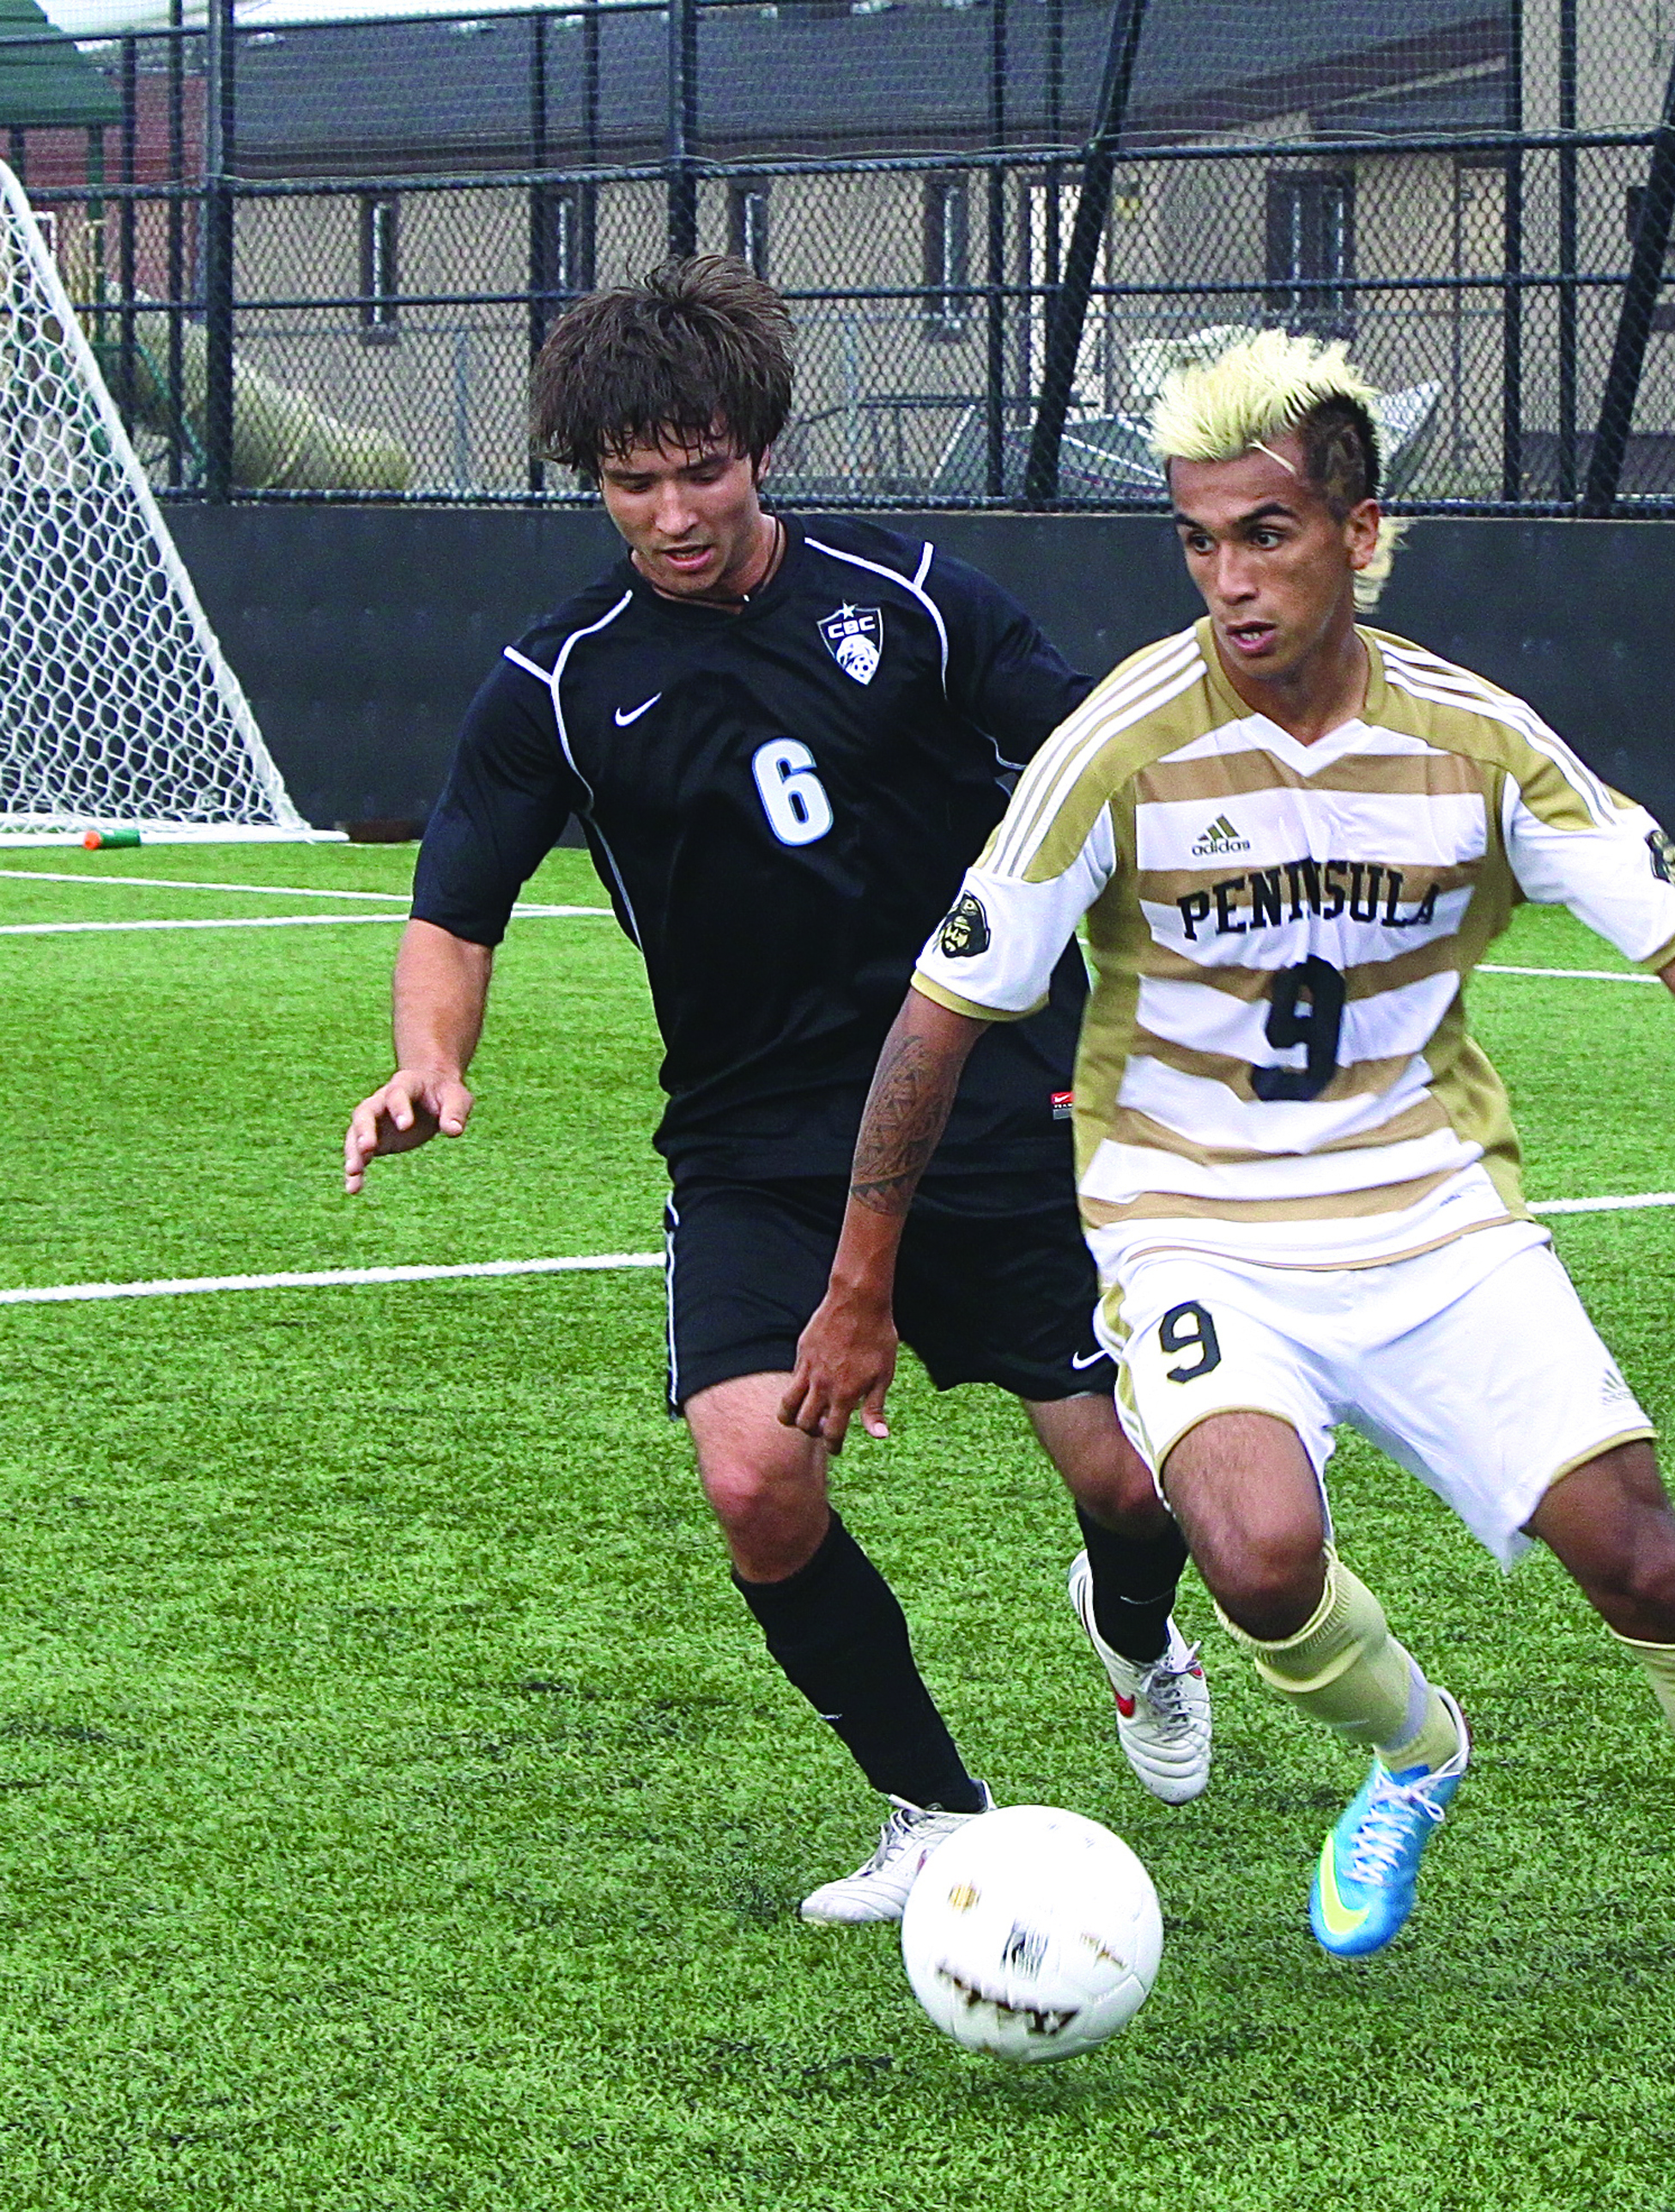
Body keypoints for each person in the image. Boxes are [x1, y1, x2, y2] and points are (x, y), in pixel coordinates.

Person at [781, 329, 1675, 2006]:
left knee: (1642, 1556)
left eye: (1265, 533)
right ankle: (1415, 1751)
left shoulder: (1474, 736)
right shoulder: (1116, 746)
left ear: (1359, 533)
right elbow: (938, 1018)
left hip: (1436, 1220)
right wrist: (856, 1288)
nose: (1229, 578)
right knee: (1258, 1552)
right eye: (1198, 540)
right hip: (1196, 1229)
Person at [341, 255, 1211, 1925]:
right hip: (754, 1143)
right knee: (751, 1473)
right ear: (592, 479)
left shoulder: (921, 602)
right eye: (631, 481)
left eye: (703, 469)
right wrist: (429, 1061)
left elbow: (1113, 766)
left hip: (996, 1096)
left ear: (759, 446)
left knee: (1125, 1482)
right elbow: (455, 904)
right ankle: (932, 1816)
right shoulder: (559, 682)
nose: (670, 512)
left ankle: (1130, 1628)